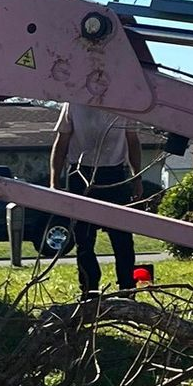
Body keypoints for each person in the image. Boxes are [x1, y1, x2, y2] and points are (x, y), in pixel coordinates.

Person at [48, 103, 142, 299]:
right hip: (81, 173)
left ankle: (127, 288)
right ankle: (89, 289)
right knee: (83, 238)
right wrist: (54, 181)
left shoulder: (124, 103)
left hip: (115, 174)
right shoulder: (73, 103)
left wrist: (137, 177)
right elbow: (61, 141)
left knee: (123, 238)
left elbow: (132, 141)